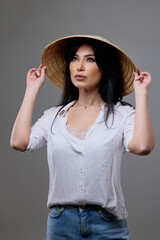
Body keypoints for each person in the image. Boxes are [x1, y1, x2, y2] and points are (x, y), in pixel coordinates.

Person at [10, 35, 155, 240]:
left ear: (104, 68)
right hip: (61, 224)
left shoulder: (122, 115)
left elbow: (142, 146)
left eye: (90, 59)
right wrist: (31, 90)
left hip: (108, 224)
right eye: (75, 59)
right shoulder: (54, 117)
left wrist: (141, 94)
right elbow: (19, 142)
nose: (79, 66)